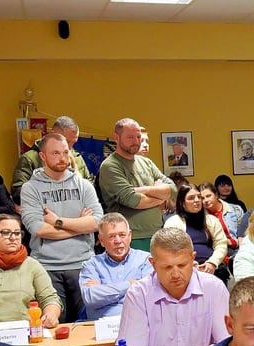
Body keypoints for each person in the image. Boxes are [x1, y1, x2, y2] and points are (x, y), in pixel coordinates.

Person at [19, 132, 103, 322]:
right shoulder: (31, 189)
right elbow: (39, 229)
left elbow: (97, 222)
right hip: (47, 267)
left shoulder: (83, 185)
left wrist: (58, 221)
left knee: (86, 325)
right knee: (53, 324)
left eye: (66, 152)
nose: (62, 158)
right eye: (55, 153)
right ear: (43, 156)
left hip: (83, 264)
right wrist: (80, 225)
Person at [99, 118, 177, 251]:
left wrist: (143, 190)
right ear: (116, 138)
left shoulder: (146, 163)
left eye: (138, 137)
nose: (136, 141)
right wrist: (160, 195)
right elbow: (132, 200)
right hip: (131, 238)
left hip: (157, 233)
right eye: (130, 137)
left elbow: (173, 189)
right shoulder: (110, 166)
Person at [79, 213, 153, 320]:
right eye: (111, 236)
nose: (118, 241)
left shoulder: (146, 260)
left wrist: (104, 288)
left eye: (122, 235)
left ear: (130, 236)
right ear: (102, 241)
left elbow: (147, 295)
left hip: (137, 323)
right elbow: (91, 298)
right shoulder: (91, 265)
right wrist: (129, 284)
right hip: (100, 328)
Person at [11, 115, 92, 202]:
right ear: (52, 134)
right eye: (66, 141)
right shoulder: (30, 159)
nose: (69, 147)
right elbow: (18, 193)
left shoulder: (77, 157)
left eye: (74, 142)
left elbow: (90, 187)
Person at [164, 184, 229, 280]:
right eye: (191, 198)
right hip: (185, 269)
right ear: (182, 203)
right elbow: (171, 249)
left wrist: (212, 263)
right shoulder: (173, 222)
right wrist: (190, 264)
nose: (197, 200)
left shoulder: (211, 220)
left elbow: (221, 244)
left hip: (212, 268)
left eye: (199, 197)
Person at [200, 181, 243, 261]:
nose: (206, 200)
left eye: (208, 196)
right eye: (202, 198)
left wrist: (234, 242)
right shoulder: (201, 217)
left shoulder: (235, 210)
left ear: (216, 195)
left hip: (239, 249)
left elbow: (245, 233)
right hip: (216, 252)